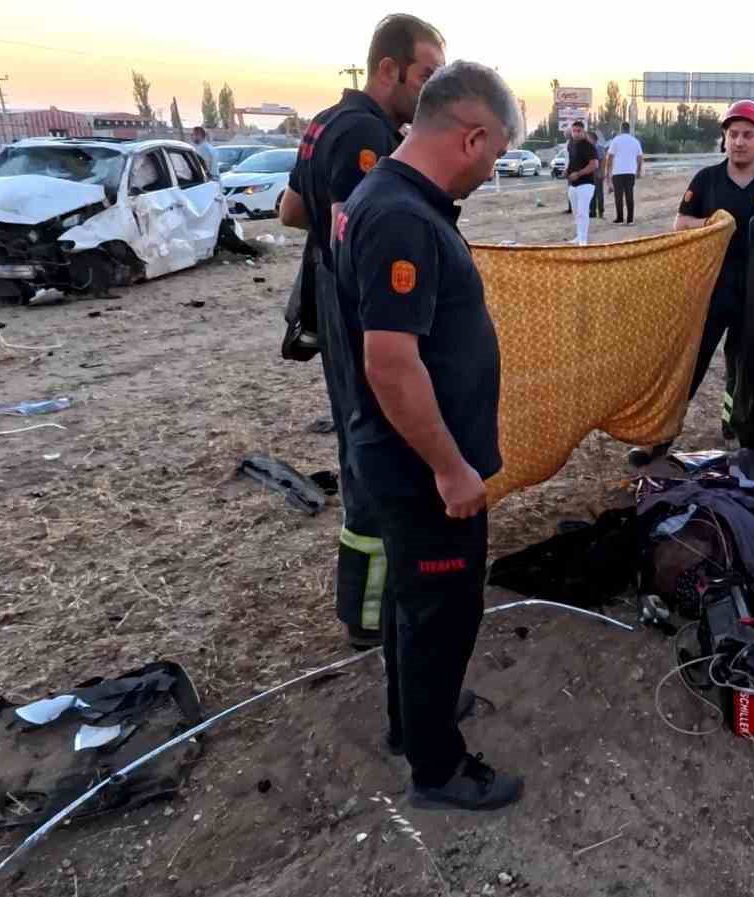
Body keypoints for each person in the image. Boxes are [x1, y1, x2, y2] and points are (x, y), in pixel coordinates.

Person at [331, 60, 525, 811]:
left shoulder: (401, 199)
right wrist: (450, 468)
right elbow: (391, 361)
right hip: (420, 468)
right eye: (497, 155)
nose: (493, 169)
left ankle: (411, 719)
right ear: (471, 137)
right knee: (443, 611)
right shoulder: (404, 216)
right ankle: (438, 767)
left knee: (419, 605)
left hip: (404, 457)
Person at [280, 14, 446, 649]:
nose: (429, 92)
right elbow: (363, 233)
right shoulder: (365, 135)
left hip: (333, 297)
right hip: (359, 310)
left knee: (360, 442)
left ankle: (368, 598)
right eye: (425, 76)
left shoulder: (323, 121)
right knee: (375, 448)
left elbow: (292, 211)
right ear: (388, 70)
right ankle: (372, 612)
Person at [625, 100, 754, 466]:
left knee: (746, 366)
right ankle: (659, 437)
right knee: (691, 363)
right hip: (711, 289)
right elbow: (680, 224)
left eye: (748, 135)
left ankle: (738, 433)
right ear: (724, 139)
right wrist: (713, 226)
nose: (739, 142)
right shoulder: (707, 180)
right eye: (733, 134)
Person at [564, 120, 599, 244]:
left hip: (586, 184)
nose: (576, 133)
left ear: (583, 131)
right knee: (576, 213)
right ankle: (579, 236)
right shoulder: (571, 144)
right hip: (573, 185)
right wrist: (567, 171)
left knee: (583, 213)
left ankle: (583, 241)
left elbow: (594, 164)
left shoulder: (588, 146)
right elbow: (572, 161)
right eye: (574, 131)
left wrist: (578, 173)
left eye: (579, 131)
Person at [605, 121, 643, 225]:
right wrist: (638, 171)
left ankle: (620, 218)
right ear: (629, 129)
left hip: (617, 172)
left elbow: (610, 157)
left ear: (621, 129)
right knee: (629, 195)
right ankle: (630, 219)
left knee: (618, 196)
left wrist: (607, 171)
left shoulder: (616, 140)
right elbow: (639, 158)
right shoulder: (635, 141)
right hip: (631, 172)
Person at [590, 129, 608, 219]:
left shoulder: (599, 148)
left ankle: (600, 212)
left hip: (597, 174)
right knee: (591, 193)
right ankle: (592, 212)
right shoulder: (589, 148)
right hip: (590, 174)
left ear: (594, 139)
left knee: (599, 194)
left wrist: (602, 172)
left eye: (589, 139)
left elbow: (603, 160)